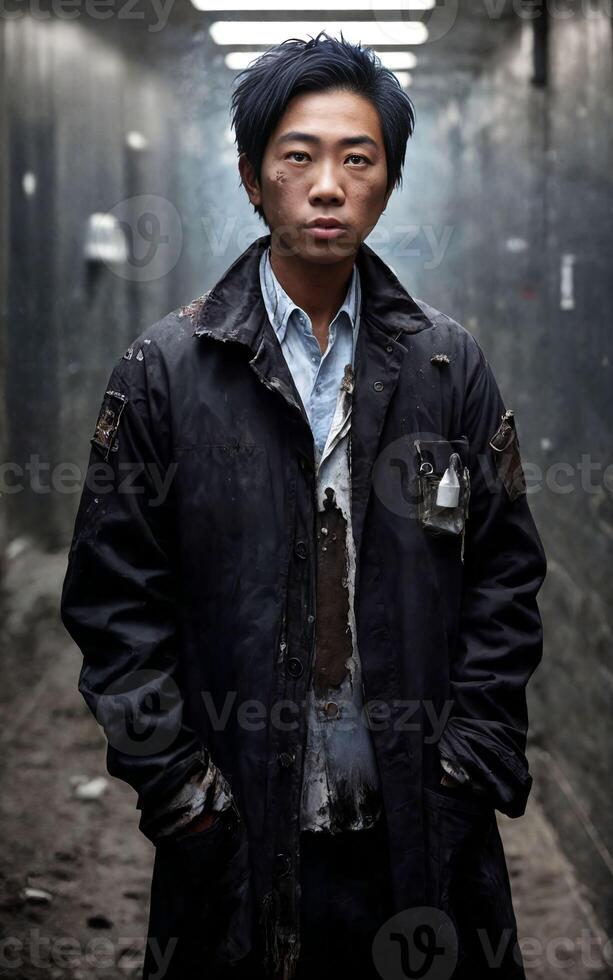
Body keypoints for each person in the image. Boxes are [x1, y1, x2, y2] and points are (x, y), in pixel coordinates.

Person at [60, 32, 547, 980]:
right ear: (252, 179)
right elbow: (114, 609)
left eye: (356, 159)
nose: (328, 185)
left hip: (421, 836)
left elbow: (505, 578)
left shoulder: (447, 368)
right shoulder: (166, 372)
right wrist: (182, 799)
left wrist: (465, 769)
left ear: (387, 181)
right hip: (235, 837)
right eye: (298, 157)